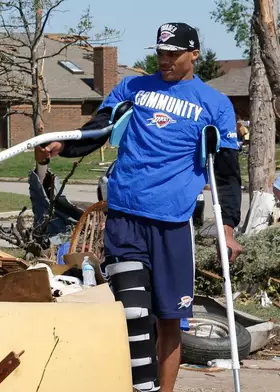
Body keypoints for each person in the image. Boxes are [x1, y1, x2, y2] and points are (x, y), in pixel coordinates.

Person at [35, 22, 242, 392]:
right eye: (161, 52)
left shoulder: (215, 105)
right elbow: (97, 129)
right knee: (132, 314)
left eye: (173, 54)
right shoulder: (132, 89)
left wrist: (227, 228)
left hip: (173, 226)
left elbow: (226, 175)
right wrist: (62, 145)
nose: (164, 60)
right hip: (126, 218)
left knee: (168, 320)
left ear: (193, 54)